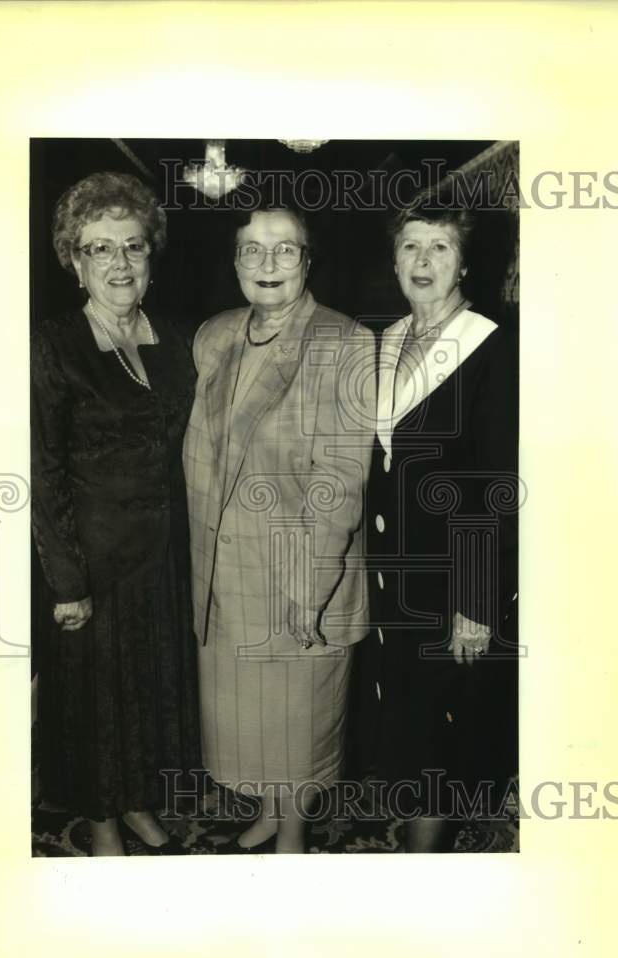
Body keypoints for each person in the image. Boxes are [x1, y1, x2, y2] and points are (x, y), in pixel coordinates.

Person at [183, 205, 375, 853]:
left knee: (294, 725)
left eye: (284, 250)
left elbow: (339, 480)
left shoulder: (343, 342)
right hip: (228, 574)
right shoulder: (214, 336)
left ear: (309, 260)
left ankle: (291, 838)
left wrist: (305, 589)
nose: (267, 265)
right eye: (251, 251)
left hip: (299, 575)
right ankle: (268, 811)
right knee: (254, 723)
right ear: (233, 261)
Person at [31, 171, 201, 856]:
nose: (120, 263)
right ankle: (101, 819)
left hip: (164, 553)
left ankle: (134, 801)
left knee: (147, 688)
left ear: (151, 257)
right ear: (75, 262)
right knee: (95, 697)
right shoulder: (54, 344)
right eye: (100, 249)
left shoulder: (179, 338)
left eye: (133, 246)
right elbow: (40, 471)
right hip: (93, 556)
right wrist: (66, 581)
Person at [366, 204, 519, 852]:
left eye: (438, 247)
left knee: (439, 722)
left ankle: (423, 861)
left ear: (463, 262)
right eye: (409, 247)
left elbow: (496, 486)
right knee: (405, 706)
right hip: (393, 570)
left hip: (452, 576)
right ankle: (418, 820)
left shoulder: (492, 347)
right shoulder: (389, 338)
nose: (422, 262)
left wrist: (476, 605)